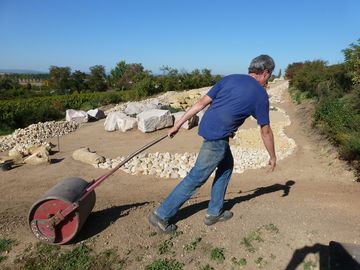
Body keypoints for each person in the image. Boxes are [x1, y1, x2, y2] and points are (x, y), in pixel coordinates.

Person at [148, 55, 277, 233]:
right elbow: (265, 131)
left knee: (226, 166)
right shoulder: (260, 95)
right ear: (265, 73)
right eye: (269, 76)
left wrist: (178, 124)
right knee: (196, 177)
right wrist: (272, 156)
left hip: (210, 128)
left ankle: (214, 211)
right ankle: (161, 215)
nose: (267, 80)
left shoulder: (229, 78)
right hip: (217, 138)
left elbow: (201, 103)